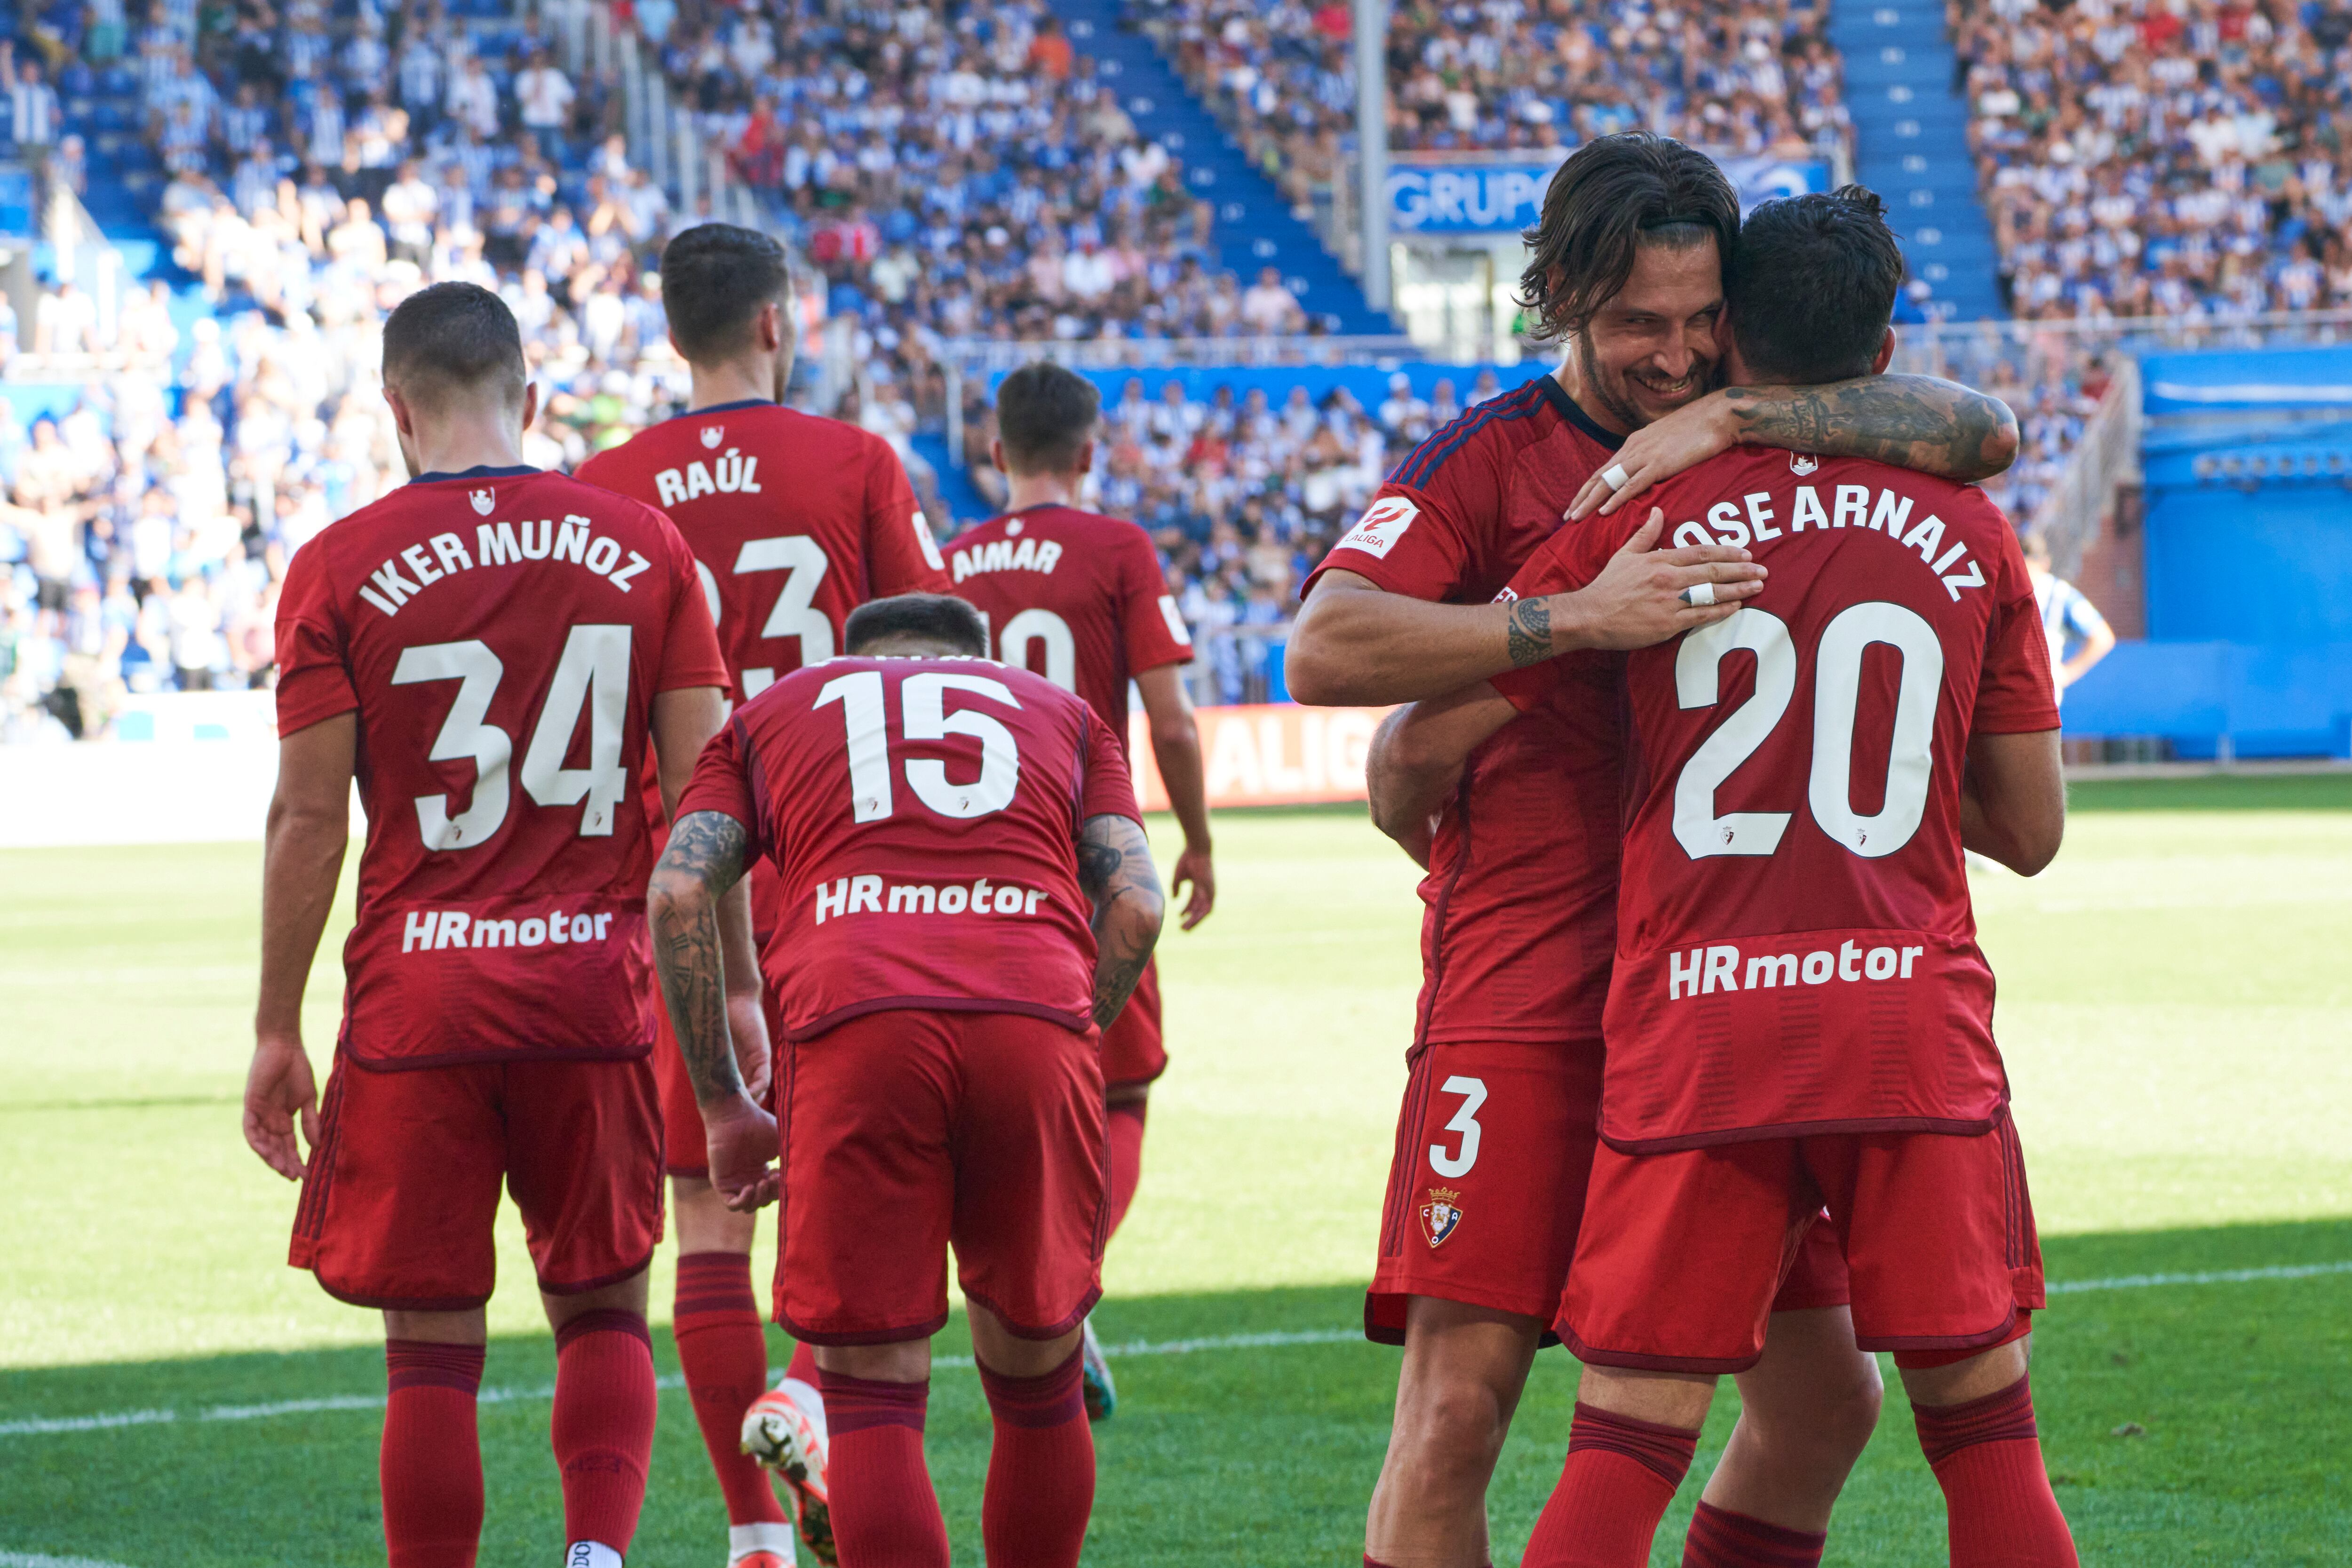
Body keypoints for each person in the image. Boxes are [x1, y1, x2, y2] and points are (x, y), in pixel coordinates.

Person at [1285, 133, 2024, 1568]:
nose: (1677, 358)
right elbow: (1328, 651)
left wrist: (1723, 424)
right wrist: (1570, 622)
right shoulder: (1489, 459)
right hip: (1537, 1000)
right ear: (1559, 298)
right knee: (1453, 1420)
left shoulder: (1758, 430)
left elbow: (1984, 429)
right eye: (1639, 326)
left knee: (1821, 1407)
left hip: (1725, 1006)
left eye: (1703, 322)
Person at [240, 281, 743, 1568]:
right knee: (603, 1310)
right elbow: (705, 801)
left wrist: (273, 1026)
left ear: (396, 408)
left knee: (430, 1349)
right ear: (530, 395)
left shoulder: (336, 565)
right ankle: (596, 1554)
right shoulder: (646, 547)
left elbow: (310, 819)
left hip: (420, 1008)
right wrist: (735, 994)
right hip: (594, 997)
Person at [576, 219, 952, 1568]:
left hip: (680, 866)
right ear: (779, 326)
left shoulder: (606, 484)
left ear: (673, 335)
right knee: (867, 1177)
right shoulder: (852, 460)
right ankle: (804, 1388)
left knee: (703, 1203)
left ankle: (751, 1536)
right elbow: (930, 660)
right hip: (837, 859)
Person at [647, 591, 1165, 1568]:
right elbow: (1135, 908)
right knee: (1039, 1377)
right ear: (979, 656)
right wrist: (1062, 1027)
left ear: (860, 659)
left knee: (872, 1393)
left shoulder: (775, 711)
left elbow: (678, 889)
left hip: (856, 1026)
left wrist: (723, 1101)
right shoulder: (1060, 712)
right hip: (1034, 1018)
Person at [944, 360, 1214, 1421]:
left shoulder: (948, 560)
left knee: (981, 1089)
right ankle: (1056, 1289)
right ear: (1090, 454)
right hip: (1087, 862)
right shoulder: (1116, 547)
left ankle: (1026, 1288)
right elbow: (1175, 717)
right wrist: (1195, 840)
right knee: (1120, 1087)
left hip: (967, 863)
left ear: (996, 453)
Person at [2022, 533, 2114, 702]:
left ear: (2044, 563)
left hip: (2043, 696)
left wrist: (2067, 673)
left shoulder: (2061, 595)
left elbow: (2102, 637)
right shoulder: (2010, 593)